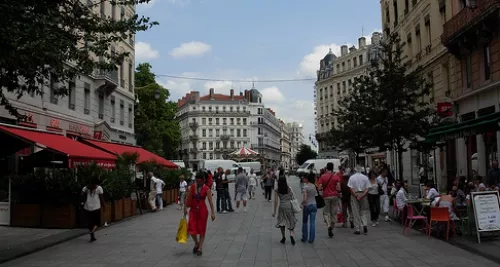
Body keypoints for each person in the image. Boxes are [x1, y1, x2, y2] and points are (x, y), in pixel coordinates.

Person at [184, 172, 216, 256]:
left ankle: (200, 248)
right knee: (191, 228)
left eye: (199, 181)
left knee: (202, 229)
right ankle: (196, 242)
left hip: (202, 211)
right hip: (193, 211)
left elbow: (210, 202)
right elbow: (188, 198)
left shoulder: (207, 189)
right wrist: (185, 208)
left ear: (203, 180)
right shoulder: (192, 187)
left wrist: (213, 213)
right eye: (196, 181)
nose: (197, 183)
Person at [318, 162, 341, 237]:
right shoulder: (336, 177)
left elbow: (319, 188)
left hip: (326, 196)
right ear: (333, 168)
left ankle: (328, 226)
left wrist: (322, 189)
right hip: (334, 196)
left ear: (327, 168)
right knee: (333, 212)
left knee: (326, 212)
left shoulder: (322, 177)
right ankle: (332, 228)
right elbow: (338, 188)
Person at [273, 176, 297, 245]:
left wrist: (274, 212)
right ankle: (291, 235)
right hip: (289, 206)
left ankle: (283, 237)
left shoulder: (277, 190)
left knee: (282, 222)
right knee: (291, 220)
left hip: (282, 206)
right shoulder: (289, 189)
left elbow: (276, 201)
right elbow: (293, 197)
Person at [347, 165, 370, 235]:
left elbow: (351, 188)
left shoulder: (352, 177)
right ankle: (365, 224)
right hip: (363, 194)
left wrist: (356, 195)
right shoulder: (365, 177)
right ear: (361, 169)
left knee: (356, 211)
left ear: (355, 170)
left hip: (355, 195)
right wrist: (362, 195)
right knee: (364, 211)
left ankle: (358, 228)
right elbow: (367, 188)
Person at [301, 172, 317, 243]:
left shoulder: (305, 187)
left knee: (305, 222)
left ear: (307, 179)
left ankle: (304, 237)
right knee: (312, 223)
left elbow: (305, 199)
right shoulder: (314, 186)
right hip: (314, 205)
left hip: (307, 206)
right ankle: (311, 239)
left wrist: (301, 203)